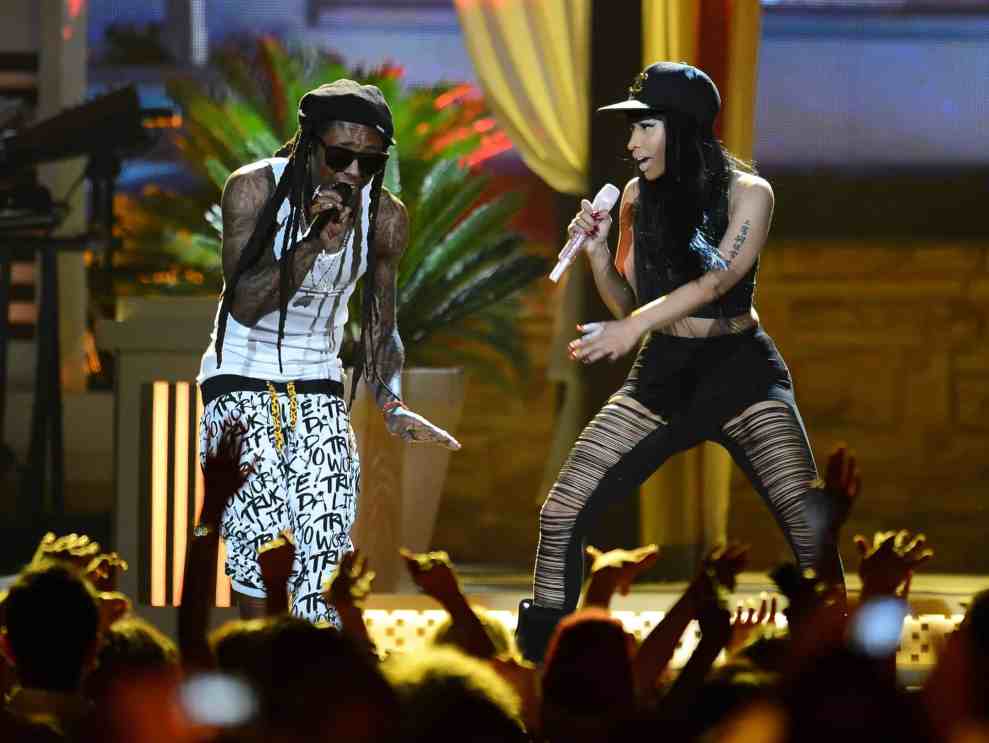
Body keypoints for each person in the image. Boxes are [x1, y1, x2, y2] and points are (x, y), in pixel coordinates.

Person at [516, 62, 845, 661]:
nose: (631, 143)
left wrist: (630, 328)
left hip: (741, 371)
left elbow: (717, 280)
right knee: (561, 512)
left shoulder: (750, 194)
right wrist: (595, 254)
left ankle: (842, 672)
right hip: (664, 370)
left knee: (811, 526)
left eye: (644, 127)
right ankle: (542, 674)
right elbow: (633, 301)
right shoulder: (638, 200)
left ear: (684, 127)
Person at [195, 79, 460, 625]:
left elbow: (382, 326)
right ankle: (261, 673)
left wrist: (391, 402)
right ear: (309, 142)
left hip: (319, 383)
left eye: (369, 161)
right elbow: (245, 303)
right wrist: (316, 241)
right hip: (240, 376)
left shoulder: (385, 217)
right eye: (341, 156)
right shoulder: (252, 190)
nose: (354, 174)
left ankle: (317, 683)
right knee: (259, 548)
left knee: (325, 545)